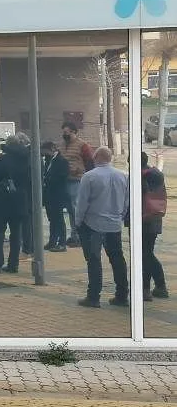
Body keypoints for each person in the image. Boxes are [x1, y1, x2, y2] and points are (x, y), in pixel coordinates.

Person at [75, 146, 129, 308]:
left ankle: (93, 297)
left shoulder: (89, 177)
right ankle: (122, 295)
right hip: (114, 224)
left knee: (94, 260)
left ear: (96, 158)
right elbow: (126, 201)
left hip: (93, 224)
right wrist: (120, 216)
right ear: (110, 158)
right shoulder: (123, 176)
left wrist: (78, 222)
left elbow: (82, 203)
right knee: (117, 259)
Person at [0, 134, 31, 274]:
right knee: (16, 233)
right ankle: (13, 264)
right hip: (20, 200)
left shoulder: (2, 158)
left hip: (3, 200)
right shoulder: (27, 158)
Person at [59, 121, 95, 246]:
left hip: (77, 180)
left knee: (76, 209)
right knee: (70, 209)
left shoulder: (82, 146)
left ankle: (80, 236)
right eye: (63, 132)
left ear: (74, 132)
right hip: (65, 180)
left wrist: (87, 178)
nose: (64, 135)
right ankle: (74, 235)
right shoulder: (62, 145)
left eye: (66, 132)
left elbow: (90, 163)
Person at [139, 151, 169, 301]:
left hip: (143, 219)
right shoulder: (155, 174)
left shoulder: (140, 177)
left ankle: (148, 288)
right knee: (147, 253)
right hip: (156, 217)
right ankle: (157, 286)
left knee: (144, 255)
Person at [41, 140, 70, 252]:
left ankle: (62, 242)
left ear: (52, 150)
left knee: (59, 218)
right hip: (49, 194)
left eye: (46, 151)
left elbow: (63, 176)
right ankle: (52, 241)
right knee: (52, 219)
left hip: (57, 193)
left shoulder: (61, 161)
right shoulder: (49, 160)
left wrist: (48, 179)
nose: (45, 154)